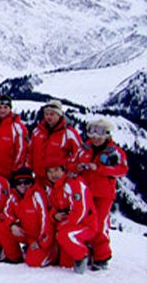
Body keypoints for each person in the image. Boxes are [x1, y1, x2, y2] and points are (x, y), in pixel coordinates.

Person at [74, 119, 128, 270]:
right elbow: (72, 163)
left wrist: (99, 168)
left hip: (103, 194)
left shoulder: (115, 152)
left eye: (100, 133)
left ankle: (102, 257)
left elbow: (121, 170)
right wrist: (77, 167)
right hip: (84, 192)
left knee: (99, 225)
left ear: (107, 134)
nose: (96, 137)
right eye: (92, 133)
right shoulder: (84, 149)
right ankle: (88, 251)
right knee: (84, 223)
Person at [45, 159, 96, 274]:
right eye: (50, 171)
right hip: (69, 225)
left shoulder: (74, 183)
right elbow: (52, 207)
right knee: (66, 264)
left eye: (56, 170)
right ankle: (83, 250)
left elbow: (80, 211)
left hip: (85, 224)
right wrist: (54, 216)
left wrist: (63, 226)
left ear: (63, 170)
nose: (53, 174)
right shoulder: (54, 188)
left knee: (64, 235)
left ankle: (83, 254)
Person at [0, 168, 56, 266]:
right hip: (27, 234)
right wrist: (12, 225)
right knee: (2, 227)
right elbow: (6, 212)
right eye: (19, 183)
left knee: (34, 262)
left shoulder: (37, 195)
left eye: (26, 182)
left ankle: (52, 253)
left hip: (41, 237)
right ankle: (14, 257)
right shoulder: (14, 195)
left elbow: (46, 220)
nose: (22, 185)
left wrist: (41, 242)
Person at [29, 100, 82, 180]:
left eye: (52, 114)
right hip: (39, 179)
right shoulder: (37, 131)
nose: (48, 117)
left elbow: (79, 153)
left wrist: (69, 169)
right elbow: (30, 152)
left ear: (59, 115)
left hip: (59, 179)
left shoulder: (68, 133)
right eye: (46, 114)